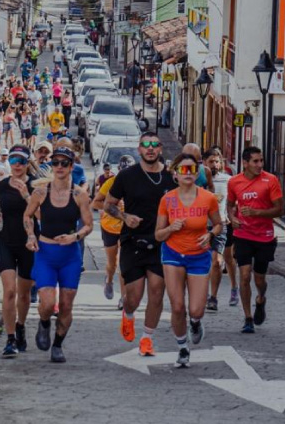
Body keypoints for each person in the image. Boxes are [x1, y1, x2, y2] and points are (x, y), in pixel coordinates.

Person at [105, 132, 177, 356]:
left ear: (160, 149)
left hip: (160, 241)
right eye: (146, 145)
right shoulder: (127, 176)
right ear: (139, 149)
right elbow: (108, 205)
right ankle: (128, 315)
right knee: (133, 297)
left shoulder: (170, 178)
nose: (150, 148)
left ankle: (147, 338)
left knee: (156, 292)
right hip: (133, 241)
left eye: (155, 145)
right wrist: (125, 217)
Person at [24, 147, 94, 363]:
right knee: (46, 303)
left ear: (72, 166)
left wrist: (76, 237)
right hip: (46, 252)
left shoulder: (79, 195)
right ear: (52, 166)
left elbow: (89, 225)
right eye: (56, 163)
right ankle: (44, 323)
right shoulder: (40, 193)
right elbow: (28, 216)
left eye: (65, 163)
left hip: (70, 255)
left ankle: (57, 344)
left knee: (66, 304)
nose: (60, 167)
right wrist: (31, 236)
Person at [155, 153, 223, 368]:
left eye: (192, 170)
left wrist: (210, 235)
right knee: (176, 307)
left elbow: (219, 224)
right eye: (183, 169)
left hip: (198, 255)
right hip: (173, 253)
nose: (188, 174)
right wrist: (170, 228)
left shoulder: (207, 198)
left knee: (196, 309)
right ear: (175, 173)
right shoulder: (167, 199)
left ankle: (195, 323)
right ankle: (182, 347)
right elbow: (158, 235)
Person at [226, 146, 283, 334]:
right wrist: (232, 218)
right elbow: (230, 203)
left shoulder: (271, 180)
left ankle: (260, 298)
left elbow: (279, 210)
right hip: (243, 235)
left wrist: (257, 212)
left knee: (259, 279)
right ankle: (248, 317)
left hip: (264, 236)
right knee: (244, 275)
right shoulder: (234, 182)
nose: (260, 165)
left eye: (261, 161)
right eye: (255, 161)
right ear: (245, 163)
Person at [0, 146, 38, 357]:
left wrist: (27, 195)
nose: (17, 164)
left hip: (28, 244)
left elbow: (42, 214)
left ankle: (20, 325)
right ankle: (10, 339)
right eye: (13, 159)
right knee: (9, 290)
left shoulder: (37, 186)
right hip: (5, 242)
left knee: (25, 294)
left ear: (27, 162)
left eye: (21, 160)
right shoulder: (0, 186)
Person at [94, 155, 135, 309]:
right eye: (124, 171)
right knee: (113, 263)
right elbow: (96, 202)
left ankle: (123, 298)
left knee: (124, 264)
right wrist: (109, 209)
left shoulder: (137, 185)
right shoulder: (111, 183)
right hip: (110, 227)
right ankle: (109, 280)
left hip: (127, 228)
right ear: (119, 170)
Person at [205, 149, 239, 311]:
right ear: (204, 163)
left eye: (217, 161)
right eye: (211, 161)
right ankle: (210, 296)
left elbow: (235, 200)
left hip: (224, 224)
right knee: (211, 262)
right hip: (203, 225)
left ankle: (234, 287)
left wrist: (231, 215)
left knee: (226, 259)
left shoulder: (229, 180)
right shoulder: (199, 180)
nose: (214, 164)